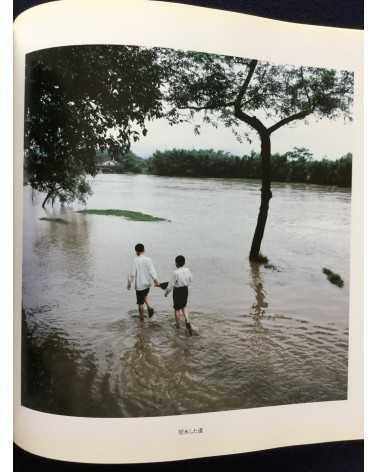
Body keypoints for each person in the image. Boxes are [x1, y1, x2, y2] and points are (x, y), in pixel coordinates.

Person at [127, 243, 159, 321]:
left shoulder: (135, 260)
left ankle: (141, 320)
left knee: (140, 303)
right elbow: (152, 271)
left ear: (136, 251)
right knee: (144, 296)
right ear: (144, 250)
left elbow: (132, 274)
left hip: (140, 285)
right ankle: (149, 308)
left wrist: (129, 283)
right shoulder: (148, 259)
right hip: (147, 284)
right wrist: (156, 281)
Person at [165, 255, 193, 336]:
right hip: (185, 290)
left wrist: (166, 293)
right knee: (184, 306)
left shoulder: (175, 272)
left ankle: (178, 326)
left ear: (176, 263)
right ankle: (187, 321)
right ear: (184, 263)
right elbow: (191, 279)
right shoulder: (188, 270)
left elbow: (171, 285)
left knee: (177, 309)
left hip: (177, 291)